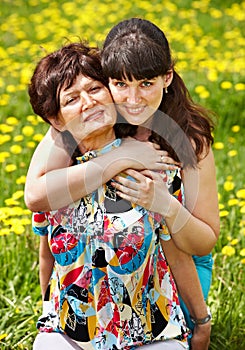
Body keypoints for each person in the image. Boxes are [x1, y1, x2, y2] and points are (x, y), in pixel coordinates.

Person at [26, 42, 212, 350]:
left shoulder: (153, 166)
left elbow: (177, 257)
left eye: (95, 89)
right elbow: (47, 251)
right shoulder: (54, 182)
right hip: (72, 334)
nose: (87, 102)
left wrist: (201, 323)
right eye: (72, 99)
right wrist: (48, 309)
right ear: (57, 121)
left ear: (112, 95)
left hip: (151, 333)